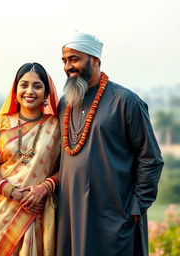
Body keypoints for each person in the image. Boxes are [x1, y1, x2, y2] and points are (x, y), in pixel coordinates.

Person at [56, 31, 164, 256]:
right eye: (65, 61)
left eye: (74, 59)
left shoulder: (126, 101)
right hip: (71, 215)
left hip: (113, 217)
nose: (68, 66)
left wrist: (136, 207)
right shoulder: (66, 103)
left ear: (95, 60)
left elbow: (150, 158)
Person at [0, 62, 61, 256]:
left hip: (37, 208)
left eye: (37, 86)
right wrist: (15, 194)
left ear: (47, 92)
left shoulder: (57, 127)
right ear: (15, 89)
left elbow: (69, 168)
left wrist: (45, 187)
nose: (29, 91)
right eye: (24, 85)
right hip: (0, 211)